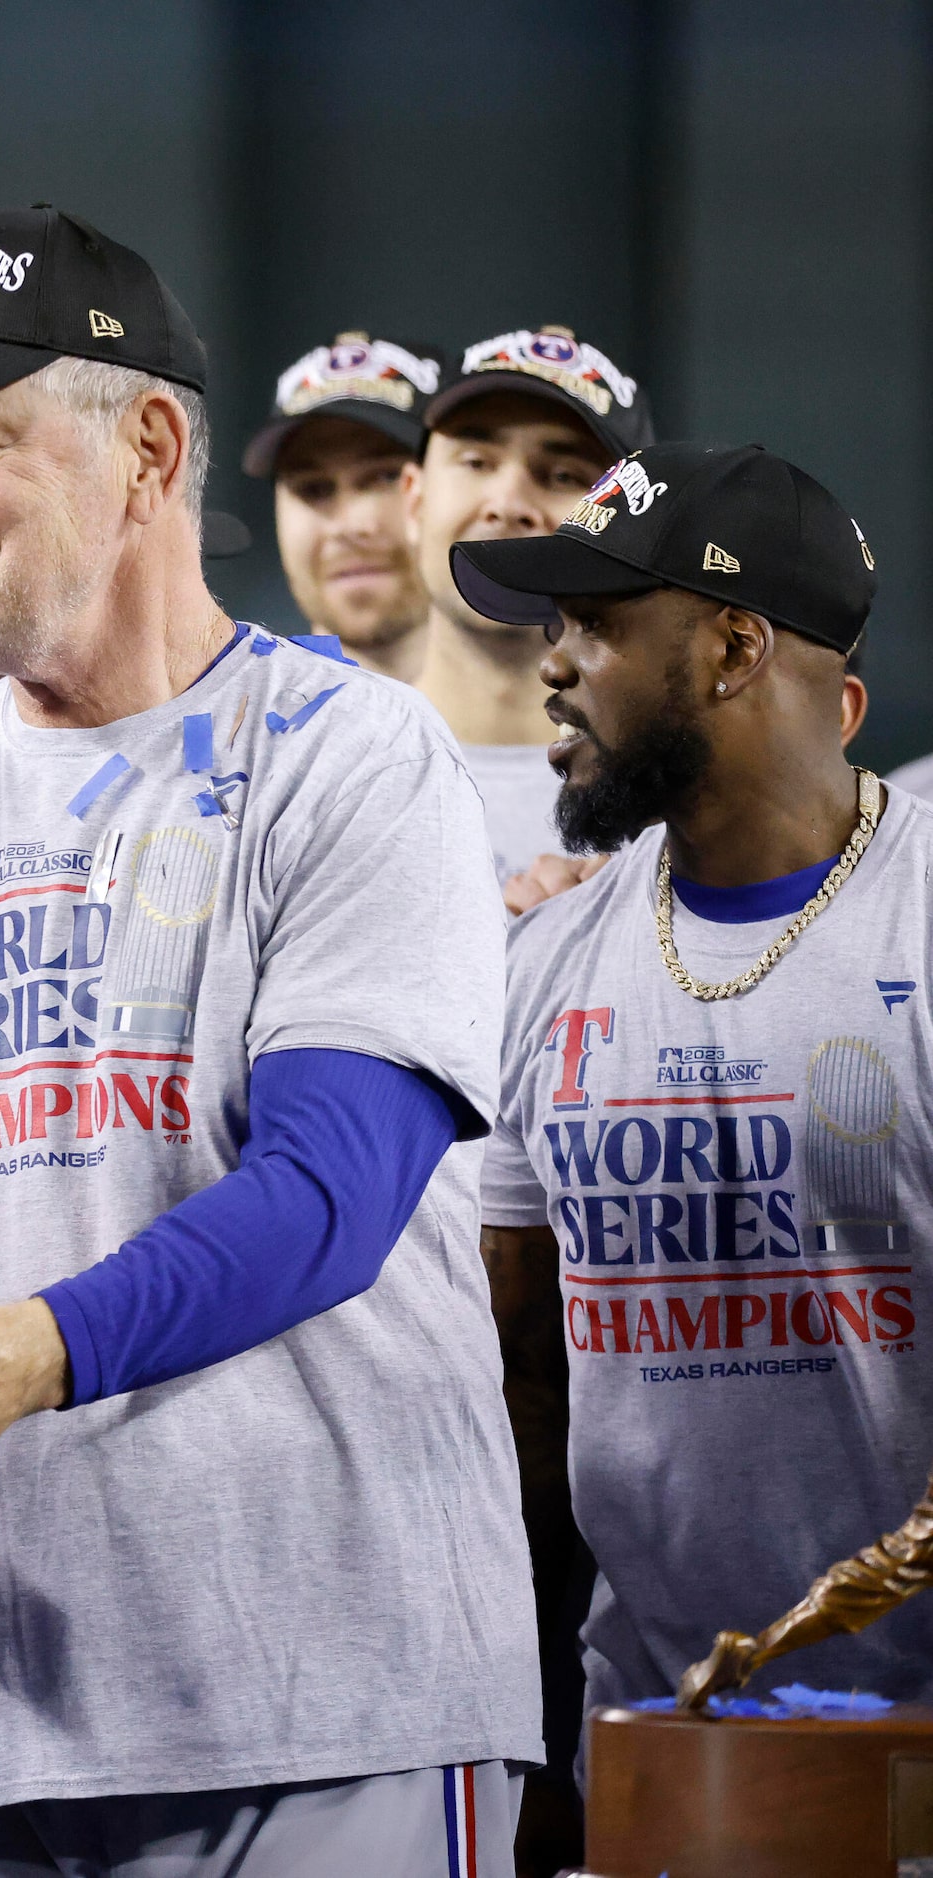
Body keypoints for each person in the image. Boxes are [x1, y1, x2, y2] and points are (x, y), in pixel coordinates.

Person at [0, 207, 537, 1874]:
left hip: (330, 1705)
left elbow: (337, 1185)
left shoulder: (348, 751)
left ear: (150, 446)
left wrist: (28, 1347)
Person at [460, 445, 933, 1747]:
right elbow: (521, 1383)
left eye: (597, 626)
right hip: (652, 1730)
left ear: (731, 648)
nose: (549, 665)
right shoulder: (546, 957)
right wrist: (537, 1726)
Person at [410, 325, 654, 906]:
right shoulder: (319, 763)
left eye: (564, 475)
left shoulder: (674, 798)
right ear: (413, 499)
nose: (508, 503)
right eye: (475, 460)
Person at [239, 330, 444, 681]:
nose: (350, 527)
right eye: (314, 489)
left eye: (386, 478)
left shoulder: (562, 722)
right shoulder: (237, 730)